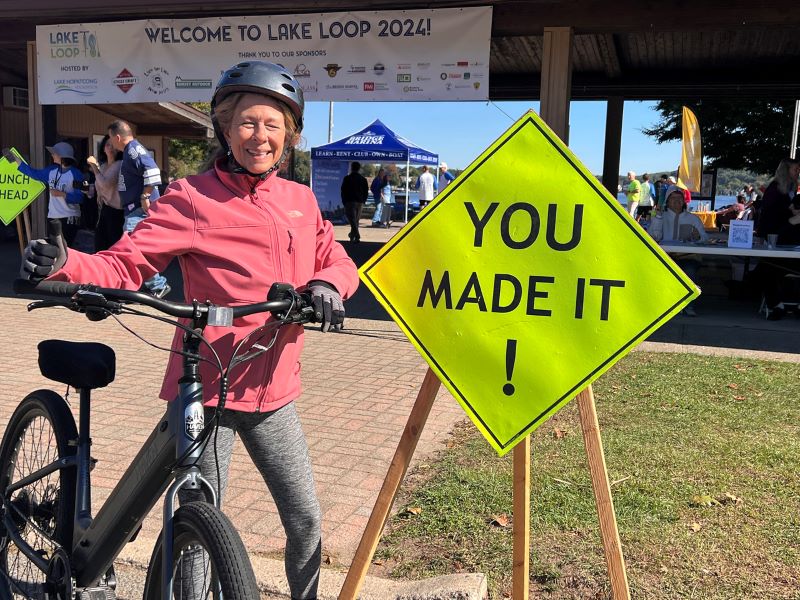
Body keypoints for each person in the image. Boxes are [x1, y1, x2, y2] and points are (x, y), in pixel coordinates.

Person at [20, 60, 360, 599]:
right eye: (247, 123)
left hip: (275, 392)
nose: (260, 136)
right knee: (200, 529)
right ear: (225, 128)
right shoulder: (191, 198)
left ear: (289, 135)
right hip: (209, 385)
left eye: (273, 125)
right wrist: (67, 266)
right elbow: (127, 263)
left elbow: (335, 259)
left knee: (307, 522)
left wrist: (327, 287)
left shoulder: (299, 200)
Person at [108, 119, 170, 298]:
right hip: (133, 209)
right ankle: (146, 284)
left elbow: (152, 170)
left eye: (111, 139)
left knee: (131, 247)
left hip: (138, 208)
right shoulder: (130, 151)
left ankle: (157, 285)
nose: (111, 144)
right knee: (132, 248)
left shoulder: (134, 150)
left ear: (118, 137)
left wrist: (145, 196)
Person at [3, 142, 84, 247]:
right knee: (56, 249)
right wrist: (16, 160)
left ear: (62, 156)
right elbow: (34, 174)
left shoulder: (76, 174)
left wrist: (62, 194)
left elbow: (80, 197)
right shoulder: (51, 171)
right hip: (54, 216)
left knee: (67, 248)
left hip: (70, 217)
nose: (52, 155)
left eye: (54, 153)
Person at [648, 185, 707, 316]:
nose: (676, 201)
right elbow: (653, 236)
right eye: (673, 198)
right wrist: (657, 217)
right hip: (667, 257)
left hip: (688, 256)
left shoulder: (693, 218)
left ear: (684, 201)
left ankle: (688, 306)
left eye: (679, 198)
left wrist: (698, 237)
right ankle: (668, 306)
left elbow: (705, 238)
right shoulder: (660, 217)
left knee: (689, 270)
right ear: (667, 201)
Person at [752, 157, 800, 320]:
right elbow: (768, 216)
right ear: (786, 171)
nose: (798, 172)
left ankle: (780, 305)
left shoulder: (791, 188)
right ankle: (777, 305)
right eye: (795, 169)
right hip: (778, 239)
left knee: (768, 267)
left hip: (790, 241)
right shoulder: (775, 189)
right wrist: (791, 217)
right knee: (768, 267)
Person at [87, 135, 124, 252]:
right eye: (108, 145)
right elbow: (99, 187)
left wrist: (94, 166)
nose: (111, 148)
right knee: (100, 246)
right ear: (103, 148)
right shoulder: (103, 166)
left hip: (116, 211)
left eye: (114, 145)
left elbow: (105, 184)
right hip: (102, 209)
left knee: (114, 246)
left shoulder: (119, 165)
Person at [340, 161, 368, 242]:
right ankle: (353, 236)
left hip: (349, 201)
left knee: (352, 219)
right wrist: (364, 200)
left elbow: (343, 190)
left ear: (351, 168)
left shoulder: (347, 178)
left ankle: (356, 235)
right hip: (360, 202)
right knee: (356, 220)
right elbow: (366, 191)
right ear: (359, 169)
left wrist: (344, 201)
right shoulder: (363, 179)